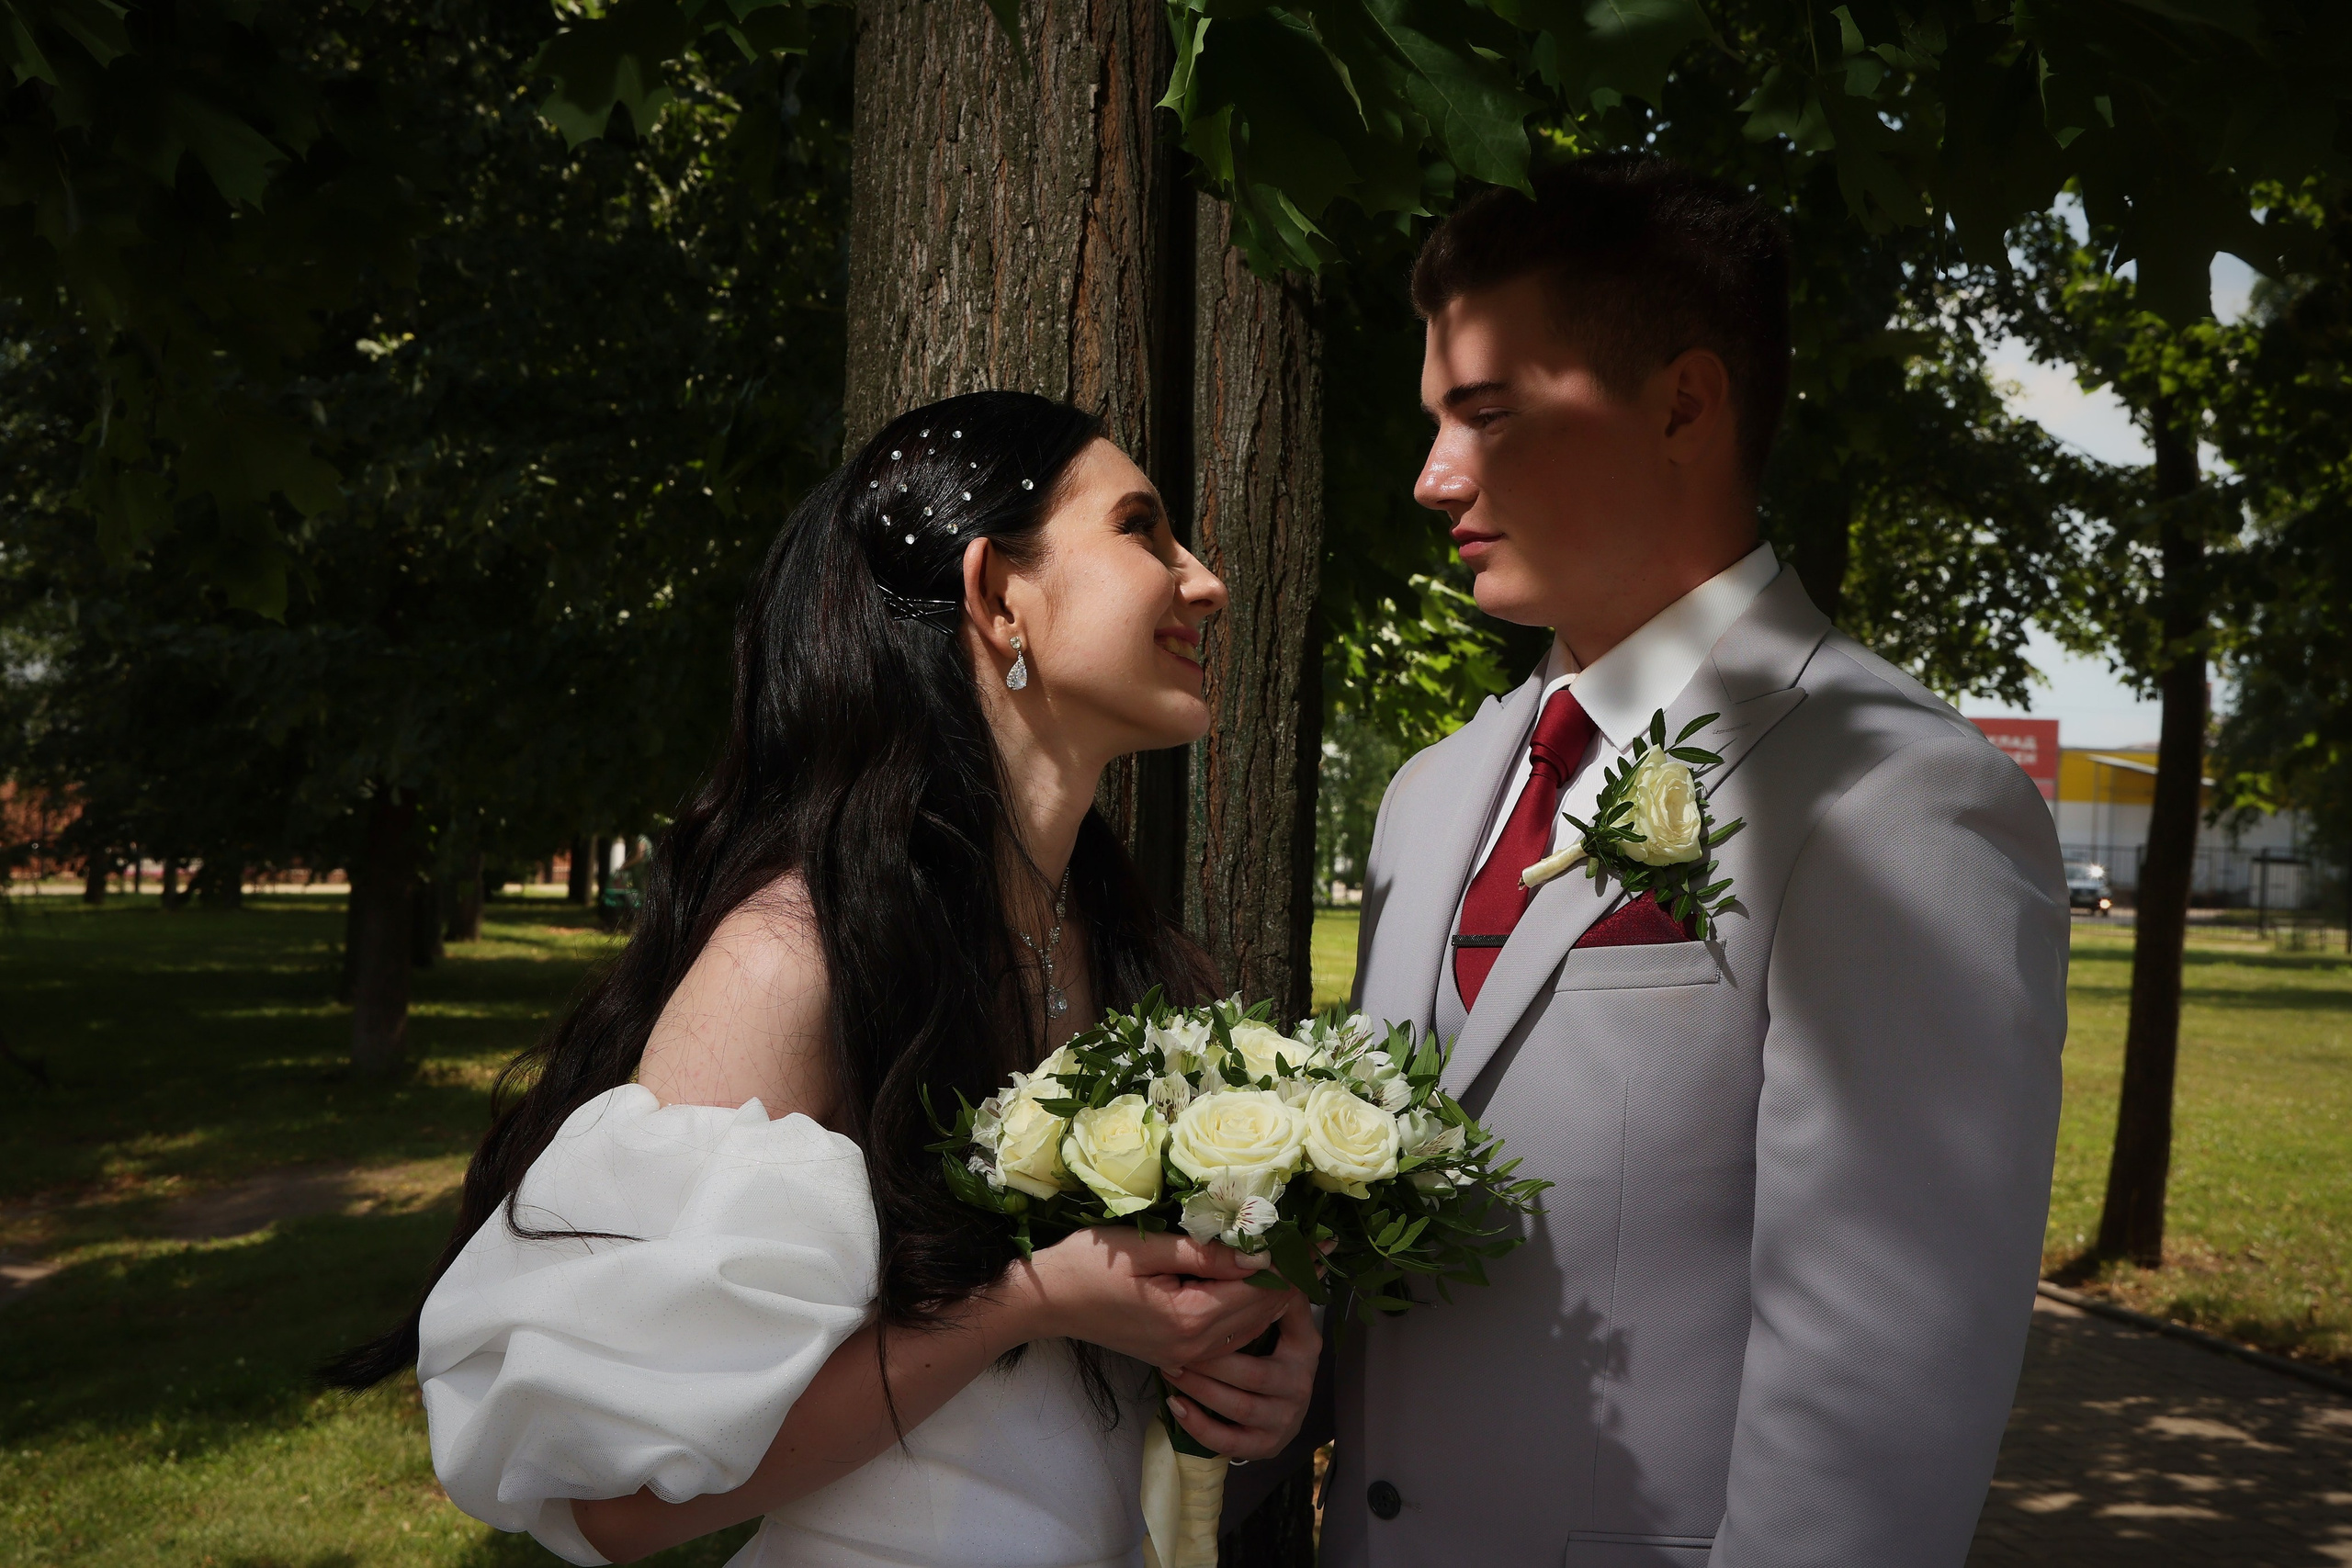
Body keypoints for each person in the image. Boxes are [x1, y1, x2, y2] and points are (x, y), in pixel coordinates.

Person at [323, 391, 1321, 1568]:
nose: (1200, 581)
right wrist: (1024, 1303)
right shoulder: (789, 959)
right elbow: (622, 1507)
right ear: (999, 594)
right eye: (1142, 529)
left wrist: (1244, 1366)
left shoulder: (1131, 957)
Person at [1240, 155, 2068, 1565]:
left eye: (1487, 415)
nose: (1433, 477)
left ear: (1684, 402)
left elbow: (1877, 1400)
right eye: (1435, 418)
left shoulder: (1899, 792)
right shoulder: (1430, 796)